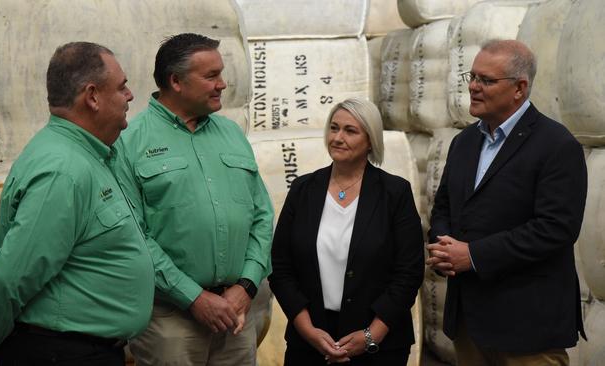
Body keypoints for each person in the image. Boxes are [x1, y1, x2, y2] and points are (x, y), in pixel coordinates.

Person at [0, 42, 154, 366]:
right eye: (122, 87)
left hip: (81, 350)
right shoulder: (63, 171)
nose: (131, 95)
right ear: (92, 96)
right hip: (61, 353)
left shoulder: (90, 155)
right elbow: (13, 276)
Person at [114, 33, 274, 366]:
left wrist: (245, 286)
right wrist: (194, 298)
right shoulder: (129, 142)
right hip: (169, 323)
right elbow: (133, 236)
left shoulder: (231, 134)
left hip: (235, 316)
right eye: (211, 75)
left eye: (222, 73)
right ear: (176, 81)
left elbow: (262, 215)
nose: (223, 84)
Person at [427, 39, 587, 366]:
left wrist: (473, 256)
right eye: (471, 77)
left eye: (485, 80)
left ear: (519, 88)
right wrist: (442, 246)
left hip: (527, 330)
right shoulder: (464, 142)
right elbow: (444, 206)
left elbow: (555, 229)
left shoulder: (556, 145)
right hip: (470, 324)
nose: (473, 86)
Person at [269, 97, 424, 365]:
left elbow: (409, 273)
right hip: (310, 342)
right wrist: (307, 331)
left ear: (370, 140)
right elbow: (281, 266)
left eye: (350, 131)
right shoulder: (303, 190)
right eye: (334, 128)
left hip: (379, 346)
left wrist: (371, 335)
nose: (338, 137)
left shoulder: (394, 193)